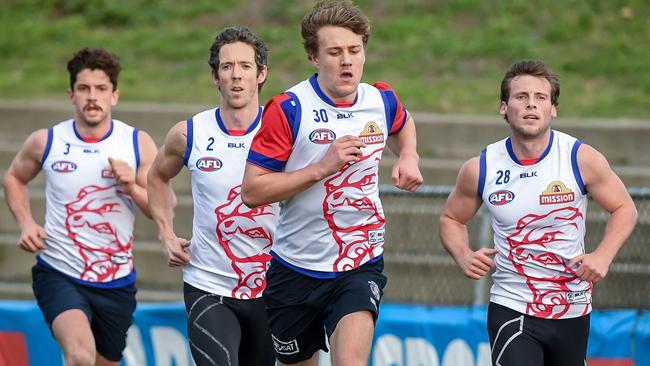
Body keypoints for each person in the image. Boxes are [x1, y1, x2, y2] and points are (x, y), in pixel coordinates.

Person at [241, 1, 423, 365]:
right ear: (313, 55)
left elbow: (402, 124)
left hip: (359, 261)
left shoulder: (380, 100)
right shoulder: (290, 109)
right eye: (335, 52)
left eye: (355, 51)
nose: (347, 61)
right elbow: (252, 191)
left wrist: (408, 156)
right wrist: (321, 168)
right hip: (296, 268)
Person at [439, 60, 638, 365]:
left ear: (553, 109)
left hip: (572, 306)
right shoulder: (482, 167)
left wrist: (603, 256)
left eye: (540, 98)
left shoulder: (580, 158)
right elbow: (451, 218)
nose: (531, 104)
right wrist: (463, 254)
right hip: (512, 303)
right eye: (521, 97)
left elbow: (625, 208)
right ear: (504, 107)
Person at [3, 47, 157, 365]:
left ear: (114, 95)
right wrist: (26, 223)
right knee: (80, 356)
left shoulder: (136, 143)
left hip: (116, 282)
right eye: (84, 88)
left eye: (101, 89)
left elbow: (158, 210)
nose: (92, 97)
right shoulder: (47, 141)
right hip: (59, 271)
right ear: (71, 94)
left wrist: (131, 186)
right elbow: (14, 178)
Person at [146, 26, 278, 366]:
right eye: (227, 66)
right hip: (208, 283)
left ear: (261, 74)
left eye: (246, 67)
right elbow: (157, 177)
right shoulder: (189, 134)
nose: (236, 76)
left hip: (273, 287)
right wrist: (165, 234)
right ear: (215, 76)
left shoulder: (283, 132)